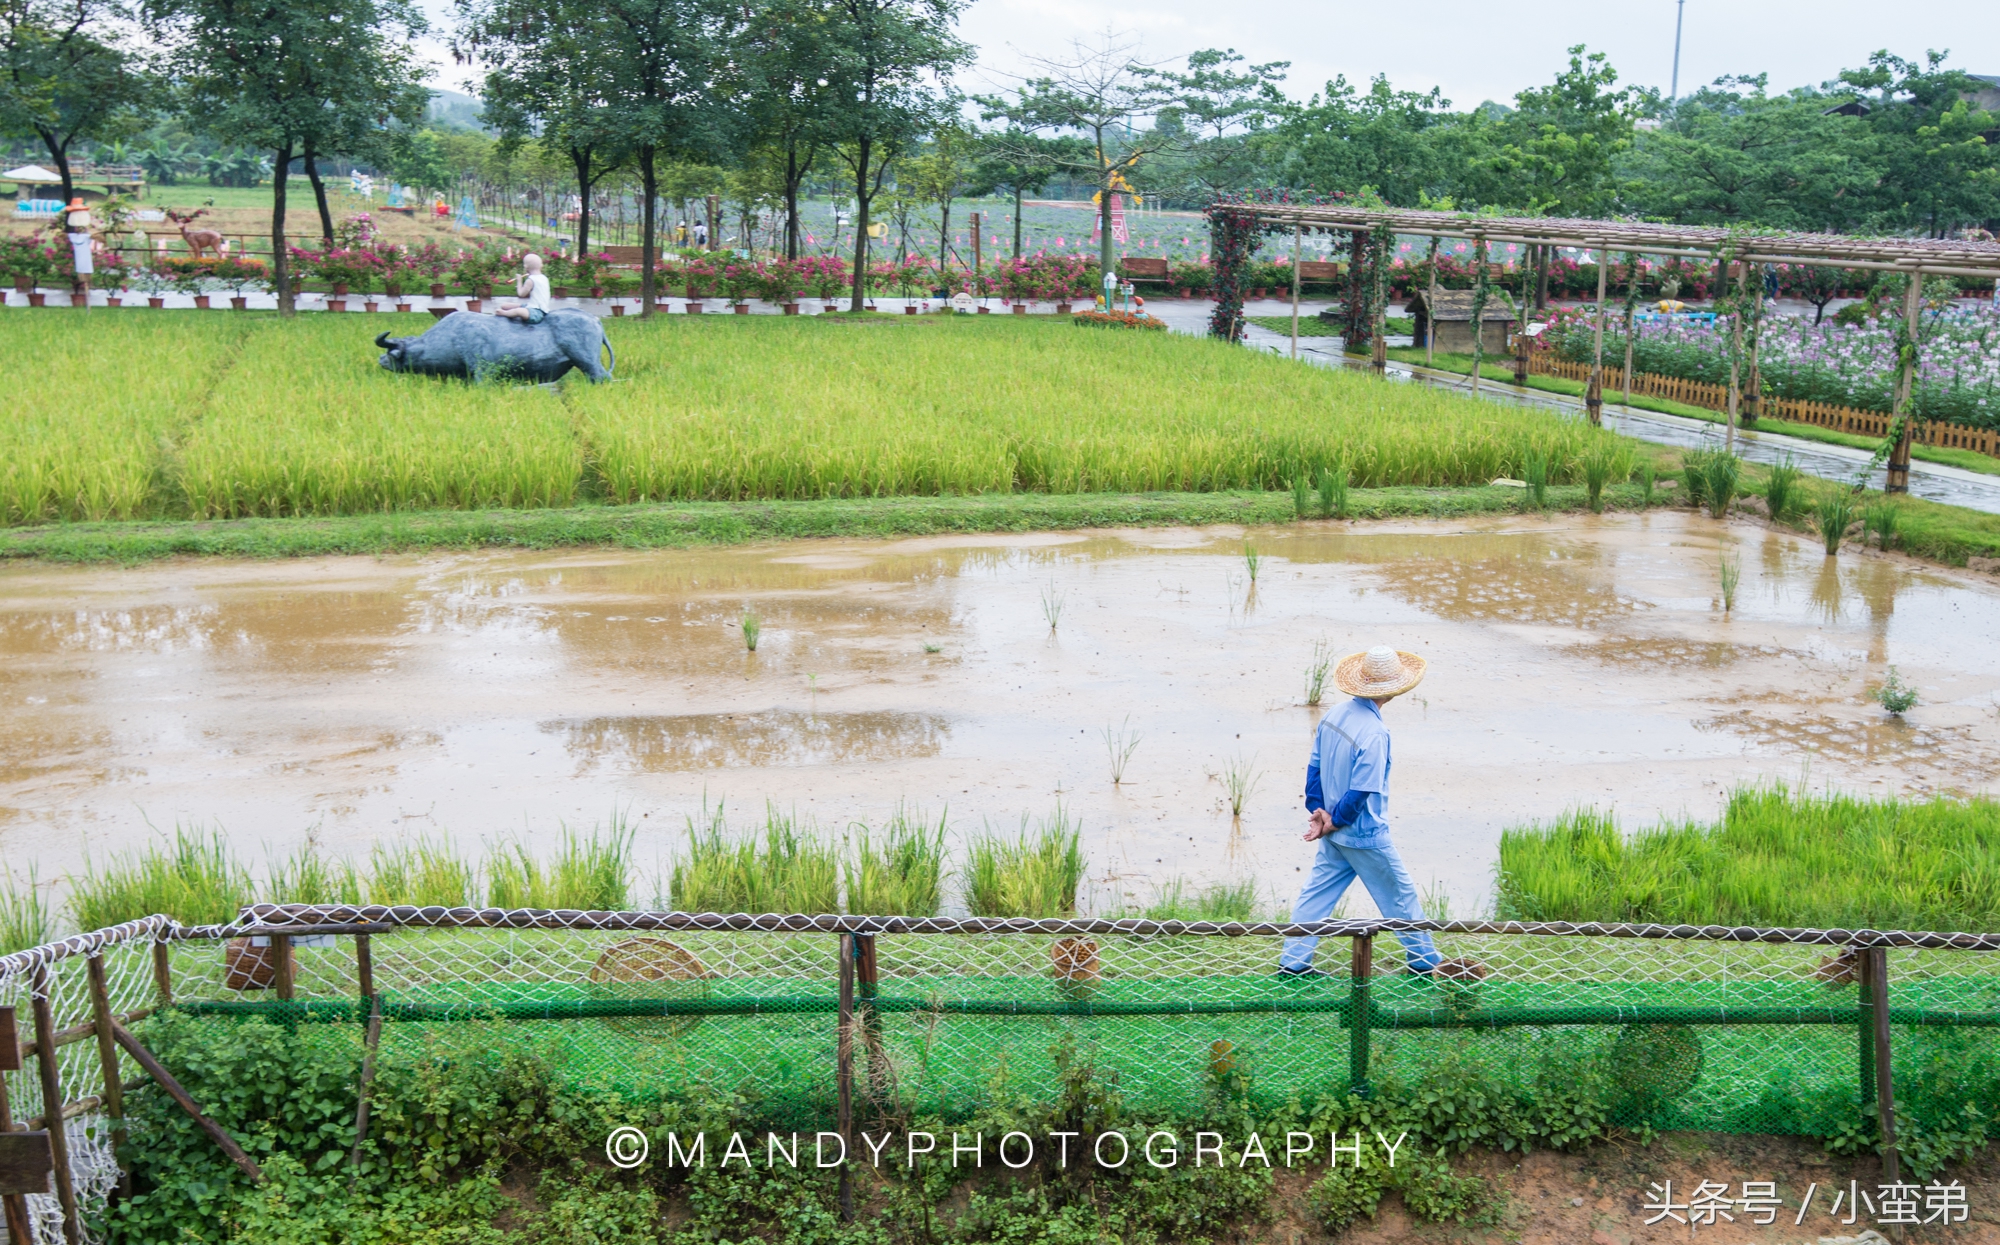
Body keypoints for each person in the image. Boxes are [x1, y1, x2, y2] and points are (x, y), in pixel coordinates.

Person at [1279, 645, 1441, 976]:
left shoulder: (1334, 715)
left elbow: (1315, 768)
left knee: (1318, 892)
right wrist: (1336, 821)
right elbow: (1363, 790)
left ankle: (1292, 964)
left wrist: (1319, 811)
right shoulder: (1375, 732)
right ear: (1394, 690)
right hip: (1363, 833)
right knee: (1400, 894)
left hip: (1334, 830)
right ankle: (1425, 964)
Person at [495, 253, 551, 323]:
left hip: (537, 312)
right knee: (505, 306)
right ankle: (508, 310)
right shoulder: (544, 278)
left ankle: (505, 313)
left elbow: (521, 294)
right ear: (541, 266)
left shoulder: (531, 280)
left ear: (526, 268)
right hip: (536, 306)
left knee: (518, 311)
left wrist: (519, 282)